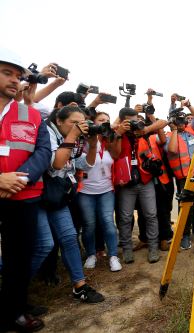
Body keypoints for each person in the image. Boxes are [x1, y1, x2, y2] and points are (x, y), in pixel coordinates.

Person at [31, 105, 105, 305]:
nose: (79, 127)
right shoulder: (46, 132)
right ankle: (15, 287)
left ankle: (79, 286)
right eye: (74, 122)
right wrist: (72, 135)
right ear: (59, 121)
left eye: (81, 123)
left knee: (70, 238)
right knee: (44, 244)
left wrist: (93, 143)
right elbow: (55, 164)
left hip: (57, 196)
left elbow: (84, 164)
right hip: (38, 196)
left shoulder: (72, 138)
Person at [0, 47, 51, 332]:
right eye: (7, 73)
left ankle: (14, 311)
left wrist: (19, 179)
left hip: (23, 197)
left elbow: (43, 151)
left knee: (18, 258)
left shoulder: (30, 115)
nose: (14, 80)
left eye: (17, 76)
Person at [112, 107, 165, 264]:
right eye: (130, 121)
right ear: (121, 120)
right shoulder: (115, 131)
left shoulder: (143, 130)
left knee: (151, 215)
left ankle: (153, 248)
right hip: (126, 183)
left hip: (145, 180)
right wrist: (119, 133)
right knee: (125, 217)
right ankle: (127, 249)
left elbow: (164, 122)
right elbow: (115, 154)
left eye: (136, 120)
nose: (134, 124)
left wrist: (145, 129)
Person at [77, 111, 122, 272]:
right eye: (101, 120)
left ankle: (113, 256)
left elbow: (117, 156)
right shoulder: (82, 141)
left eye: (107, 121)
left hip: (106, 190)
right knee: (89, 225)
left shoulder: (108, 142)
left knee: (108, 222)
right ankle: (91, 254)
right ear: (93, 123)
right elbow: (79, 164)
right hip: (85, 191)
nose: (104, 123)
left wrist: (116, 134)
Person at [166, 94, 194, 250]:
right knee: (185, 206)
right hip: (183, 178)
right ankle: (185, 235)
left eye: (183, 120)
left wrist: (188, 105)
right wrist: (174, 129)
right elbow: (173, 150)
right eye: (178, 120)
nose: (182, 123)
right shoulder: (169, 136)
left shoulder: (191, 130)